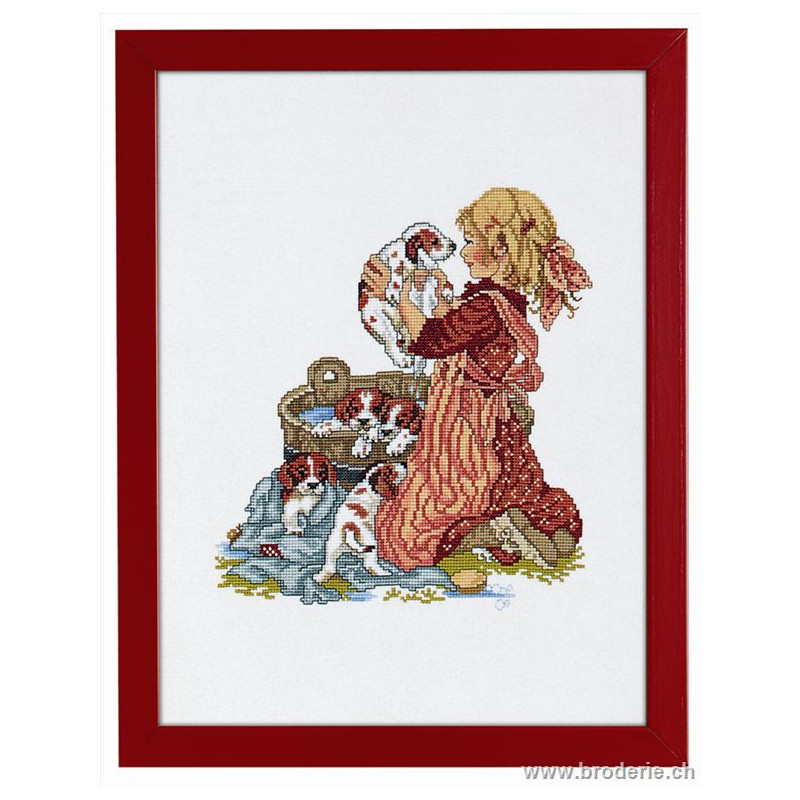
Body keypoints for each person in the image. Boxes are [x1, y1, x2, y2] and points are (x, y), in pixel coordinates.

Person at [362, 187, 592, 570]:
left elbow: (431, 340)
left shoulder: (486, 308)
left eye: (471, 241)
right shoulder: (503, 302)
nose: (465, 252)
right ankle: (544, 533)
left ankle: (489, 532)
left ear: (501, 249)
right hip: (491, 416)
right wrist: (433, 296)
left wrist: (394, 293)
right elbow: (454, 332)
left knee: (408, 530)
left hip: (463, 423)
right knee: (515, 486)